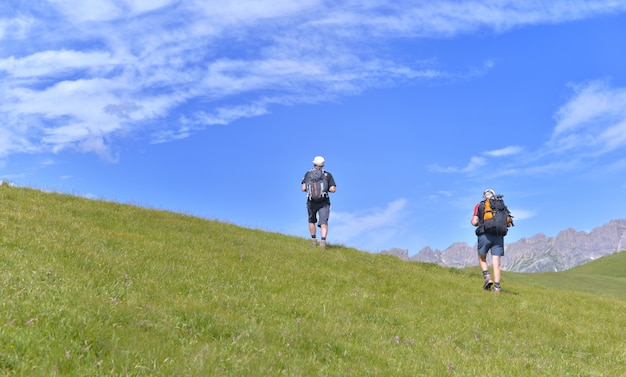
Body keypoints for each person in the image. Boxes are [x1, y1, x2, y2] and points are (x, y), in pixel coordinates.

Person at [471, 189, 507, 294]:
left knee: (482, 258)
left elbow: (474, 222)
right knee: (496, 263)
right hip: (498, 236)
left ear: (484, 196)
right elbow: (507, 222)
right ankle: (497, 289)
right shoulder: (500, 206)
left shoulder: (480, 205)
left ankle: (487, 277)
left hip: (484, 235)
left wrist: (482, 222)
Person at [301, 156, 336, 249]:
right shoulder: (327, 175)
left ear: (314, 163)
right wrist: (326, 188)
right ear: (323, 164)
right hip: (324, 202)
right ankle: (323, 241)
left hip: (311, 201)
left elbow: (303, 188)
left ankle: (313, 240)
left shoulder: (308, 174)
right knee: (323, 222)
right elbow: (333, 189)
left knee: (311, 220)